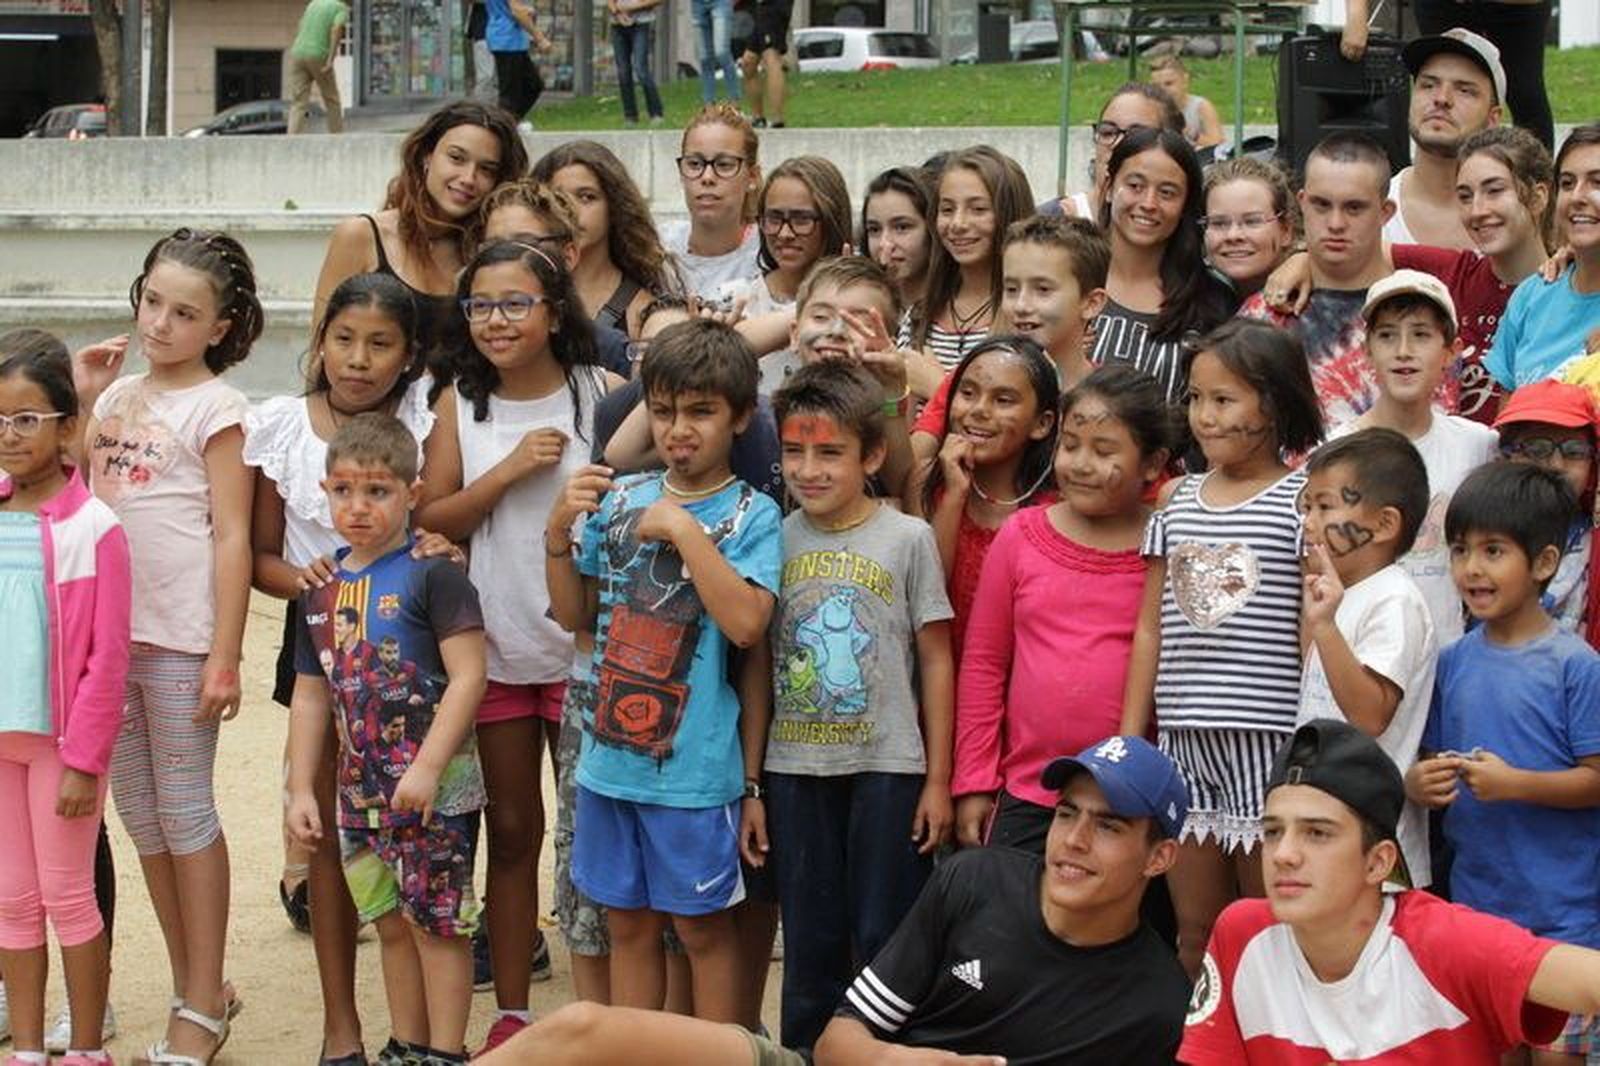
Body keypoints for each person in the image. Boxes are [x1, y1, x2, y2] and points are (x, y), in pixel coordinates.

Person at [476, 735, 1192, 1066]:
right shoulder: (977, 881)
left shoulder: (1154, 1002)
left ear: (1159, 857)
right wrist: (898, 1064)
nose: (1073, 840)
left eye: (1109, 826)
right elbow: (837, 1042)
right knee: (581, 1030)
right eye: (1068, 814)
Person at [414, 241, 621, 1053]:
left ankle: (597, 1007)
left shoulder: (597, 394)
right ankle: (511, 1010)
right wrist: (504, 476)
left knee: (588, 833)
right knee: (512, 834)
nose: (496, 320)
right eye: (480, 305)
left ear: (554, 309)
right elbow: (431, 519)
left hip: (582, 651)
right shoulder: (457, 404)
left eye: (514, 303)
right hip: (495, 651)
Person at [545, 319, 783, 1023]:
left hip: (693, 772)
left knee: (704, 932)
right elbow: (574, 615)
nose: (681, 428)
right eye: (666, 409)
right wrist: (557, 533)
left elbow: (746, 623)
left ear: (740, 416)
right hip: (608, 762)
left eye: (702, 411)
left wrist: (682, 528)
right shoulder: (620, 499)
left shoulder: (752, 513)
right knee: (627, 927)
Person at [245, 273, 446, 1065]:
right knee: (328, 831)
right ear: (319, 339)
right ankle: (341, 1023)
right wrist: (308, 580)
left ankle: (427, 1026)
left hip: (406, 642)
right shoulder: (281, 425)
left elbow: (432, 520)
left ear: (408, 356)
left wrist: (430, 545)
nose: (358, 360)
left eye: (380, 344)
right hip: (322, 630)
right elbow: (262, 553)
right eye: (343, 339)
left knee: (413, 825)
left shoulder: (424, 421)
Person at [76, 230, 259, 1064]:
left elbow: (231, 536)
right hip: (109, 641)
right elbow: (74, 503)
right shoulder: (114, 399)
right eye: (153, 301)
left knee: (186, 807)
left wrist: (226, 651)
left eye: (185, 313)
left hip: (182, 638)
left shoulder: (220, 408)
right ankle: (198, 982)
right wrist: (83, 398)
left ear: (220, 326)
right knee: (141, 813)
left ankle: (201, 997)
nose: (160, 322)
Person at [1182, 717, 1600, 1063]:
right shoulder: (1241, 932)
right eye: (1273, 831)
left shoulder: (1442, 941)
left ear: (1378, 862)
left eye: (1317, 833)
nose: (1283, 854)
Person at [758, 358, 955, 1051]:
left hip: (890, 767)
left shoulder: (909, 538)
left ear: (872, 454)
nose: (809, 468)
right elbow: (755, 662)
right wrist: (754, 783)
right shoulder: (771, 538)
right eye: (793, 450)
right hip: (794, 768)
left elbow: (935, 655)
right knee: (810, 939)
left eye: (830, 452)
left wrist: (937, 778)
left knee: (886, 936)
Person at [1122, 318, 1325, 978]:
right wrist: (1131, 738)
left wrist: (1308, 737)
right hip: (1186, 739)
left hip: (1268, 742)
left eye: (1223, 399)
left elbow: (1306, 625)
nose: (1203, 416)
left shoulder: (1302, 500)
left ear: (1273, 402)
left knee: (1273, 931)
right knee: (1195, 934)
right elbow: (1150, 626)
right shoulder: (1176, 501)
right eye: (1195, 399)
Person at [285, 414, 489, 1066]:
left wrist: (428, 768)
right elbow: (311, 692)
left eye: (377, 491)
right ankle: (406, 1045)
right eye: (343, 490)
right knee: (390, 923)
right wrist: (298, 789)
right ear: (324, 491)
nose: (358, 506)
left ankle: (444, 1051)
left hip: (433, 789)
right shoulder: (318, 590)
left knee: (440, 926)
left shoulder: (436, 574)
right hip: (357, 795)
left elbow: (468, 678)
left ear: (412, 492)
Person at [1410, 461, 1600, 1061]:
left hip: (1565, 916)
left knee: (1556, 1054)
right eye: (1462, 549)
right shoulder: (1453, 661)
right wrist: (1420, 782)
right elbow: (1432, 758)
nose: (1472, 567)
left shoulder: (1576, 666)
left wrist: (1516, 784)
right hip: (1477, 912)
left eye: (1494, 551)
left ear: (1543, 563)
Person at [955, 365, 1176, 851]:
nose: (1079, 464)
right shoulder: (1021, 535)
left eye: (1103, 451)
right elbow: (983, 665)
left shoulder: (1167, 543)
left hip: (1129, 794)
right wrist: (974, 780)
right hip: (1028, 790)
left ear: (1153, 462)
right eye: (1070, 445)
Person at [0, 340, 129, 1066]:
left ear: (67, 427)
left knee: (68, 898)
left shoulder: (94, 529)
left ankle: (84, 1050)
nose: (9, 436)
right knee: (12, 902)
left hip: (59, 749)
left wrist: (85, 760)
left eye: (26, 419)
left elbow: (107, 661)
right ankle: (24, 1050)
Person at [1269, 125, 1555, 424]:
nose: (1477, 210)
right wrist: (1302, 258)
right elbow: (1356, 242)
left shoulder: (1571, 288)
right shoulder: (1453, 272)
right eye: (1465, 195)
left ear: (1538, 197)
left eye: (1494, 191)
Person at [1296, 428, 1438, 885]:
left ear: (1384, 524)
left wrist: (1324, 626)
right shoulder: (1347, 595)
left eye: (1325, 506)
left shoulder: (1394, 599)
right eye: (1307, 507)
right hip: (1325, 819)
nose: (1309, 523)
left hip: (1374, 840)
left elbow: (1370, 714)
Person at [313, 101, 528, 393]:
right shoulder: (360, 235)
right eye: (456, 158)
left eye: (486, 169)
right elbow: (320, 353)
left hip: (461, 424)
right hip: (370, 425)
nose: (468, 178)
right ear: (427, 156)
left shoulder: (487, 252)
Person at [1335, 271, 1498, 646]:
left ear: (1451, 351)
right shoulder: (1335, 453)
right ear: (1367, 350)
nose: (1403, 350)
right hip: (1361, 659)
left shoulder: (1478, 445)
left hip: (1447, 657)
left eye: (1421, 334)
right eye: (1387, 334)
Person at [910, 215, 1110, 469]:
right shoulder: (967, 383)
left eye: (1043, 290)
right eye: (1011, 289)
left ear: (1091, 303)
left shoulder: (1112, 398)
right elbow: (913, 468)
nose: (1022, 306)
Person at [908, 336, 1060, 668]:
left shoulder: (1056, 510)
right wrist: (953, 498)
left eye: (1003, 400)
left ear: (1042, 423)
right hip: (936, 685)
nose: (978, 410)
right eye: (967, 393)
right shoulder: (926, 484)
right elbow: (927, 597)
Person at [1240, 132, 1395, 431]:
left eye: (1354, 207)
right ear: (1302, 203)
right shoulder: (1260, 318)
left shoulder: (1418, 314)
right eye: (1322, 205)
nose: (1336, 223)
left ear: (1385, 212)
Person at [1091, 127, 1231, 404]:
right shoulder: (1066, 274)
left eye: (1167, 193)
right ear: (1108, 188)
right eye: (1135, 186)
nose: (1149, 203)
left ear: (1185, 206)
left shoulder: (1213, 301)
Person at [476, 180, 633, 376]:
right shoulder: (461, 350)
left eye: (525, 244)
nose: (507, 258)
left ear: (568, 256)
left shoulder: (609, 352)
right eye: (494, 246)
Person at [1486, 124, 1600, 391]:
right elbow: (1507, 418)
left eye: (1598, 182)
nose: (1577, 197)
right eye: (1567, 183)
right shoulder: (1532, 295)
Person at [907, 145, 1035, 376]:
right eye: (947, 209)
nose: (957, 224)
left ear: (1009, 214)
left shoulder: (1028, 316)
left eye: (977, 209)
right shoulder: (920, 315)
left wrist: (935, 387)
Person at [531, 141, 677, 337]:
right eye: (558, 198)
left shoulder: (644, 313)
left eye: (587, 197)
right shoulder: (521, 295)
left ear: (614, 206)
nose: (571, 210)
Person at [1492, 380, 1597, 645]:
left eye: (1574, 451)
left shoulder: (1594, 544)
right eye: (1537, 449)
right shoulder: (1479, 530)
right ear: (1506, 457)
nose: (1556, 464)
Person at [740, 157, 852, 394]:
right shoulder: (738, 299)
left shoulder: (859, 295)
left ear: (831, 221)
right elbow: (730, 351)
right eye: (774, 219)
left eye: (801, 220)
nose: (785, 233)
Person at [1386, 29, 1506, 250]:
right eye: (1429, 85)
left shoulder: (1514, 221)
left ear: (1493, 119)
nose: (1441, 99)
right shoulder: (1372, 210)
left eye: (1464, 90)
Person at [661, 105, 763, 302]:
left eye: (724, 165)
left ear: (752, 176)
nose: (707, 177)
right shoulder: (657, 248)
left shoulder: (769, 254)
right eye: (694, 164)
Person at [1045, 82, 1184, 221]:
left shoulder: (1195, 229)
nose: (1117, 144)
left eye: (1136, 135)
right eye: (1107, 132)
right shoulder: (1049, 222)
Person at [1201, 157, 1297, 304]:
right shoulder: (1194, 298)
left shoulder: (1316, 300)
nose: (1233, 235)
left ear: (1285, 230)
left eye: (1252, 221)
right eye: (1219, 223)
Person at [287, 0, 348, 135]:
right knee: (331, 98)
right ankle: (336, 138)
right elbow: (337, 29)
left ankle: (291, 140)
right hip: (318, 54)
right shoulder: (340, 7)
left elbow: (300, 25)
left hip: (298, 53)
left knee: (298, 102)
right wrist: (330, 59)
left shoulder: (313, 4)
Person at [486, 0, 548, 127]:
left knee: (533, 84)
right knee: (510, 93)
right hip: (508, 39)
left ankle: (511, 121)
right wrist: (540, 38)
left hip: (508, 38)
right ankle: (502, 127)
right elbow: (517, 11)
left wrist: (525, 9)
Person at [607, 0, 664, 127]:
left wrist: (632, 7)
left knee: (640, 69)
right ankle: (630, 116)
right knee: (623, 72)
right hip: (617, 24)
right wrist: (617, 12)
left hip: (641, 24)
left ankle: (656, 112)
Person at [1148, 55, 1220, 149]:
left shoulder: (1201, 107)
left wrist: (1190, 133)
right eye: (1156, 86)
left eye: (1169, 84)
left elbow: (1219, 143)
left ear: (1185, 81)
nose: (1162, 90)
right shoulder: (1150, 109)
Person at [738, 0, 789, 129]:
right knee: (748, 63)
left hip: (773, 8)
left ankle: (777, 119)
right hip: (763, 8)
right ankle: (758, 118)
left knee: (771, 57)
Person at [690, 0, 741, 105]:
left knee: (722, 52)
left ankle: (734, 100)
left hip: (720, 3)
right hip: (697, 4)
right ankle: (709, 104)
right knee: (704, 58)